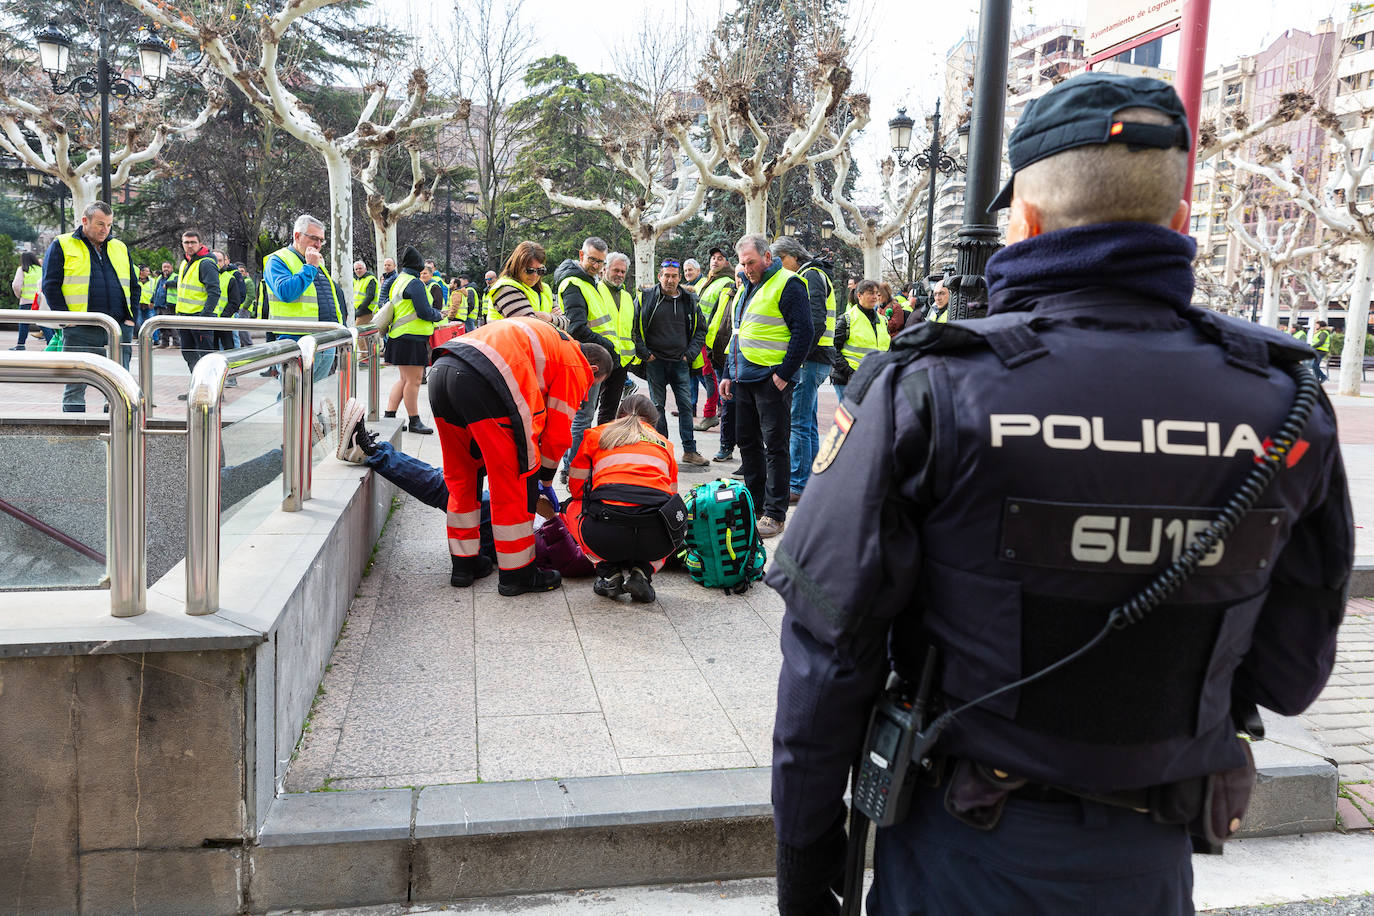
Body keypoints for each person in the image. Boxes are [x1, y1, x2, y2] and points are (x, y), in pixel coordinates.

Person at [768, 72, 1353, 916]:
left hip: (962, 854)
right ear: (1179, 225)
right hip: (1151, 859)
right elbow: (1293, 673)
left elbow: (827, 662)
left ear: (1025, 223)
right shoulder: (1283, 398)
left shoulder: (931, 385)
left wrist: (805, 867)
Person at [428, 316, 612, 595]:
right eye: (593, 384)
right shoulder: (576, 363)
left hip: (443, 369)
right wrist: (544, 479)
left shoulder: (552, 342)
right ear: (593, 368)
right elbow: (558, 433)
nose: (586, 395)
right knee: (515, 479)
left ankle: (465, 565)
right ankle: (517, 575)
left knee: (463, 475)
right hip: (487, 381)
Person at [718, 234, 811, 538]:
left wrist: (784, 374)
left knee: (776, 446)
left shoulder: (789, 283)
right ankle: (755, 506)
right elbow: (737, 334)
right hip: (743, 378)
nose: (746, 268)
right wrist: (727, 373)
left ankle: (774, 513)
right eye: (743, 263)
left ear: (768, 257)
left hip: (771, 380)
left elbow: (804, 332)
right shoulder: (747, 287)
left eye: (751, 262)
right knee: (747, 443)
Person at [566, 394, 682, 604]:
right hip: (654, 538)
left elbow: (577, 489)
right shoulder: (665, 444)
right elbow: (672, 498)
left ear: (619, 415)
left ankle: (608, 572)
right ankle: (643, 573)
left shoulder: (596, 435)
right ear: (653, 422)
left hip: (606, 534)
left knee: (572, 507)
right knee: (676, 518)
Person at [40, 201, 139, 411]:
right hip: (80, 329)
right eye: (100, 224)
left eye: (110, 225)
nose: (105, 230)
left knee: (119, 385)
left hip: (119, 328)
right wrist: (67, 320)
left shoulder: (119, 247)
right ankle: (74, 435)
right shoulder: (62, 244)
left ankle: (116, 430)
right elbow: (50, 286)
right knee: (75, 384)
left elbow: (134, 285)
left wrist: (132, 318)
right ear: (85, 220)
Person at [770, 237, 835, 504]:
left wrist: (797, 356)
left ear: (792, 257)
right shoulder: (816, 273)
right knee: (806, 423)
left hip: (812, 358)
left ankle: (798, 483)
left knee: (799, 422)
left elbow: (814, 321)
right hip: (819, 357)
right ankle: (810, 479)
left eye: (780, 260)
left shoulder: (809, 275)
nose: (779, 267)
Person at [632, 258, 710, 467]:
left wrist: (689, 355)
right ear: (659, 277)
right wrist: (645, 354)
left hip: (680, 362)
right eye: (666, 275)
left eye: (674, 276)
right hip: (654, 361)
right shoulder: (646, 298)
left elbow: (701, 329)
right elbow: (634, 327)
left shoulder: (689, 300)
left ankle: (690, 451)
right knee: (657, 407)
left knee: (685, 405)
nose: (670, 280)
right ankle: (662, 450)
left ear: (680, 278)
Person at [555, 237, 620, 480]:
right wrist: (609, 347)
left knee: (584, 416)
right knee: (582, 417)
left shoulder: (589, 281)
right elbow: (577, 327)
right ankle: (572, 468)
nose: (596, 265)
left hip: (593, 358)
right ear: (581, 255)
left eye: (600, 262)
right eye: (592, 259)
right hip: (585, 359)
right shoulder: (574, 283)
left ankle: (572, 465)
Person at [262, 213, 346, 382]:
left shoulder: (316, 262)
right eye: (314, 238)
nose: (318, 244)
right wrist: (309, 268)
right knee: (292, 394)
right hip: (296, 340)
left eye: (322, 240)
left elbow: (330, 297)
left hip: (325, 339)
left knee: (311, 394)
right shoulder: (278, 260)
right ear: (297, 236)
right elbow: (285, 292)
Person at [379, 246, 440, 434]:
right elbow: (424, 312)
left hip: (399, 337)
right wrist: (438, 315)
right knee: (413, 381)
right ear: (418, 266)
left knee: (404, 379)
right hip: (411, 338)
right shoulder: (415, 283)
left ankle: (390, 415)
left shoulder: (398, 281)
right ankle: (414, 421)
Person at [829, 279, 890, 402]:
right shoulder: (847, 319)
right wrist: (850, 372)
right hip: (847, 380)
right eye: (870, 293)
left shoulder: (883, 320)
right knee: (849, 419)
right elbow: (833, 350)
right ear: (859, 295)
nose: (875, 297)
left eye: (876, 293)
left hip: (872, 378)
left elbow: (887, 349)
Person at [174, 228, 222, 378]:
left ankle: (210, 391)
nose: (189, 246)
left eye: (193, 242)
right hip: (185, 317)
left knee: (205, 358)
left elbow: (214, 292)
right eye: (186, 242)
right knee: (189, 354)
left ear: (200, 244)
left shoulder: (206, 263)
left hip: (199, 318)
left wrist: (204, 317)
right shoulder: (185, 262)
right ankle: (197, 388)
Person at [598, 252, 637, 423]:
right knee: (587, 409)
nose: (620, 275)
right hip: (599, 357)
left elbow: (631, 328)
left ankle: (603, 445)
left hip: (621, 361)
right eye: (616, 270)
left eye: (623, 272)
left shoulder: (627, 296)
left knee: (610, 408)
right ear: (605, 269)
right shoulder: (596, 291)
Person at [487, 241, 562, 324]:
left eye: (540, 270)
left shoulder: (545, 289)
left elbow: (565, 322)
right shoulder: (504, 287)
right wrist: (553, 318)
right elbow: (528, 324)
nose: (535, 275)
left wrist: (548, 317)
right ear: (516, 267)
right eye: (529, 270)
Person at [9, 251, 48, 349]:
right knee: (43, 323)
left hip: (26, 301)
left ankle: (20, 345)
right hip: (39, 301)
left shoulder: (22, 269)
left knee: (23, 324)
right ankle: (52, 343)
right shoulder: (41, 269)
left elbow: (16, 286)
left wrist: (19, 296)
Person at [353, 260, 379, 327]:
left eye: (360, 268)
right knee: (367, 335)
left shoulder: (370, 279)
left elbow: (370, 296)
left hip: (367, 311)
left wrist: (360, 309)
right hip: (361, 310)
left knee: (359, 334)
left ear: (365, 269)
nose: (358, 270)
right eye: (356, 269)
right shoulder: (358, 280)